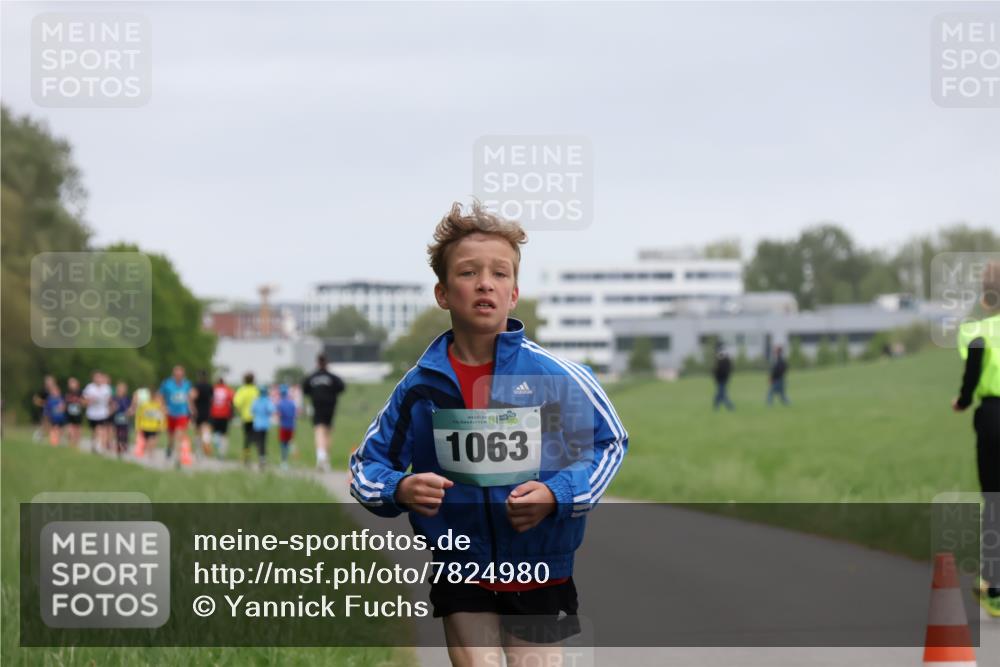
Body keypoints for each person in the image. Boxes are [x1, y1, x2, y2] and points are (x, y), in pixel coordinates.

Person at [349, 202, 627, 666]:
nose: (485, 283)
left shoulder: (557, 376)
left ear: (513, 293)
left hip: (541, 566)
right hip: (462, 565)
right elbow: (366, 468)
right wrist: (399, 488)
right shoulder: (420, 387)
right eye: (468, 273)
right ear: (442, 293)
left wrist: (557, 494)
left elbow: (610, 442)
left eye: (499, 274)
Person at [952, 260, 1000, 617]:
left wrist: (963, 401)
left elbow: (972, 374)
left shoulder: (978, 332)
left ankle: (995, 589)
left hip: (994, 420)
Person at [302, 354, 346, 472]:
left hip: (317, 406)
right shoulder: (333, 377)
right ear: (326, 363)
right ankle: (326, 459)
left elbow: (305, 389)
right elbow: (342, 387)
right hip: (330, 407)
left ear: (317, 363)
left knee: (319, 430)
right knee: (327, 431)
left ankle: (321, 456)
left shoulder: (311, 377)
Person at [159, 365, 194, 462]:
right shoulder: (167, 384)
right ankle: (170, 448)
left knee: (179, 435)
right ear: (173, 374)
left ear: (183, 375)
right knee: (171, 437)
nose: (178, 376)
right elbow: (160, 396)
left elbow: (189, 397)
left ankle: (178, 458)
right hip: (170, 413)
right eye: (176, 374)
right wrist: (163, 407)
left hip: (182, 413)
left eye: (180, 374)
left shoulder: (187, 384)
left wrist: (191, 408)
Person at [233, 373, 260, 465]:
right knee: (257, 437)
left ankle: (246, 457)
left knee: (247, 438)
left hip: (246, 417)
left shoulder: (242, 390)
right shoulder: (256, 390)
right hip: (257, 418)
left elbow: (237, 403)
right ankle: (260, 456)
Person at [82, 371, 114, 451]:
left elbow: (110, 400)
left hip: (102, 413)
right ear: (93, 378)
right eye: (96, 377)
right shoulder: (89, 387)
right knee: (94, 431)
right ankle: (94, 445)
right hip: (92, 413)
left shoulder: (106, 388)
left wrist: (111, 408)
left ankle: (99, 446)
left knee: (100, 429)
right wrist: (89, 401)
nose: (98, 379)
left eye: (99, 377)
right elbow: (84, 401)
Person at [250, 384, 275, 469]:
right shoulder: (268, 401)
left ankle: (261, 457)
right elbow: (271, 410)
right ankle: (262, 457)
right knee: (263, 441)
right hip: (265, 425)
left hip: (257, 424)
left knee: (258, 442)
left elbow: (252, 410)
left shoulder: (256, 401)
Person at [135, 390, 167, 458]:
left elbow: (163, 417)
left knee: (152, 440)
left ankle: (150, 453)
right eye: (157, 398)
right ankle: (148, 452)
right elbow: (139, 415)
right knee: (149, 441)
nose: (158, 399)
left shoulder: (159, 406)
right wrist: (138, 426)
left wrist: (162, 426)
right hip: (146, 426)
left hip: (154, 427)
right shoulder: (145, 405)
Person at [209, 376, 235, 459]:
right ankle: (222, 453)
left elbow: (209, 400)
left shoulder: (213, 389)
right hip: (224, 414)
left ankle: (217, 444)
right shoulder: (228, 390)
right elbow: (233, 400)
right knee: (224, 434)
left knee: (215, 432)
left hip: (214, 413)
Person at [192, 370, 215, 457]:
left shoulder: (196, 386)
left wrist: (193, 408)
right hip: (207, 410)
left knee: (197, 431)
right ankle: (206, 445)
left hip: (198, 411)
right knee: (206, 430)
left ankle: (198, 451)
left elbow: (193, 397)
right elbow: (212, 399)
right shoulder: (210, 386)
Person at [276, 384, 298, 470]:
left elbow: (279, 415)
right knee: (289, 443)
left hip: (283, 426)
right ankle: (291, 459)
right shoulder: (292, 403)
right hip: (291, 426)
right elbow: (295, 415)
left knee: (283, 444)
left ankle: (284, 462)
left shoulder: (280, 403)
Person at [32, 375, 56, 442]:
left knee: (50, 427)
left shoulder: (54, 391)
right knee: (45, 425)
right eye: (49, 382)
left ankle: (44, 438)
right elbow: (35, 399)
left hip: (52, 412)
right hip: (44, 412)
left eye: (51, 382)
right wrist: (44, 403)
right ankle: (38, 437)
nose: (50, 384)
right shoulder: (43, 391)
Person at [111, 381, 132, 457]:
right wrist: (113, 407)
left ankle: (124, 446)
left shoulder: (127, 399)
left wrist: (129, 412)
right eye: (119, 389)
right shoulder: (114, 398)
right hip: (116, 419)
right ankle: (119, 448)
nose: (120, 390)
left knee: (124, 434)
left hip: (125, 419)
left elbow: (131, 408)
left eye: (122, 389)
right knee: (117, 434)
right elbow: (111, 408)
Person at [43, 381, 67, 446]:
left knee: (60, 430)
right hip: (53, 418)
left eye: (56, 391)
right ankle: (53, 442)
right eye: (53, 391)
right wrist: (46, 417)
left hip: (60, 418)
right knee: (54, 429)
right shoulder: (49, 400)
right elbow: (47, 410)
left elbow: (64, 408)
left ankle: (57, 441)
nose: (54, 392)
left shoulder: (61, 399)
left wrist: (62, 408)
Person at [712, 345, 734, 411]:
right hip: (722, 379)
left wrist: (715, 372)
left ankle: (730, 407)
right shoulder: (724, 360)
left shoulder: (723, 360)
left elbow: (720, 370)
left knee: (722, 395)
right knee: (720, 394)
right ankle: (716, 407)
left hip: (722, 379)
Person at [64, 377, 84, 448]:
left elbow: (85, 402)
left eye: (72, 383)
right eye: (69, 383)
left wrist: (80, 401)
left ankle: (77, 443)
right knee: (69, 429)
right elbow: (65, 403)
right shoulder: (67, 392)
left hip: (77, 414)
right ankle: (71, 443)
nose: (71, 384)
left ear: (77, 384)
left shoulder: (80, 392)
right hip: (69, 414)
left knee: (77, 429)